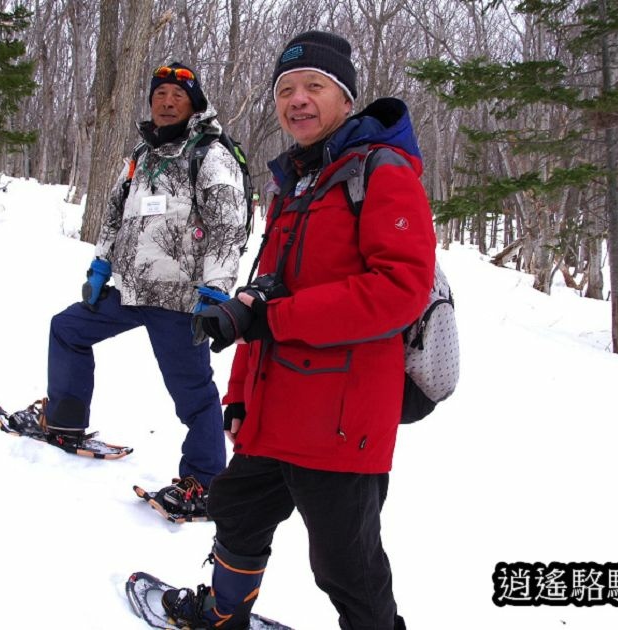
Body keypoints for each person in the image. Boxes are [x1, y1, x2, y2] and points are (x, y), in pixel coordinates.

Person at [161, 32, 436, 629]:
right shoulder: (298, 182)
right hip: (275, 407)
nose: (297, 100)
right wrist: (239, 395)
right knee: (236, 510)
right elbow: (262, 290)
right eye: (286, 89)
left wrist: (276, 318)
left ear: (345, 98)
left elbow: (400, 288)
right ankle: (225, 613)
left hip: (341, 418)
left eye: (314, 85)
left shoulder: (381, 172)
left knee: (346, 564)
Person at [40, 62, 247, 518]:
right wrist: (100, 263)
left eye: (177, 95)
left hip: (179, 300)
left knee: (192, 394)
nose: (167, 102)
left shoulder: (210, 154)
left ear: (194, 103)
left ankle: (206, 481)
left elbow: (229, 226)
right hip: (131, 290)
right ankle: (65, 418)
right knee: (68, 329)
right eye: (159, 95)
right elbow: (117, 214)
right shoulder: (143, 154)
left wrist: (215, 291)